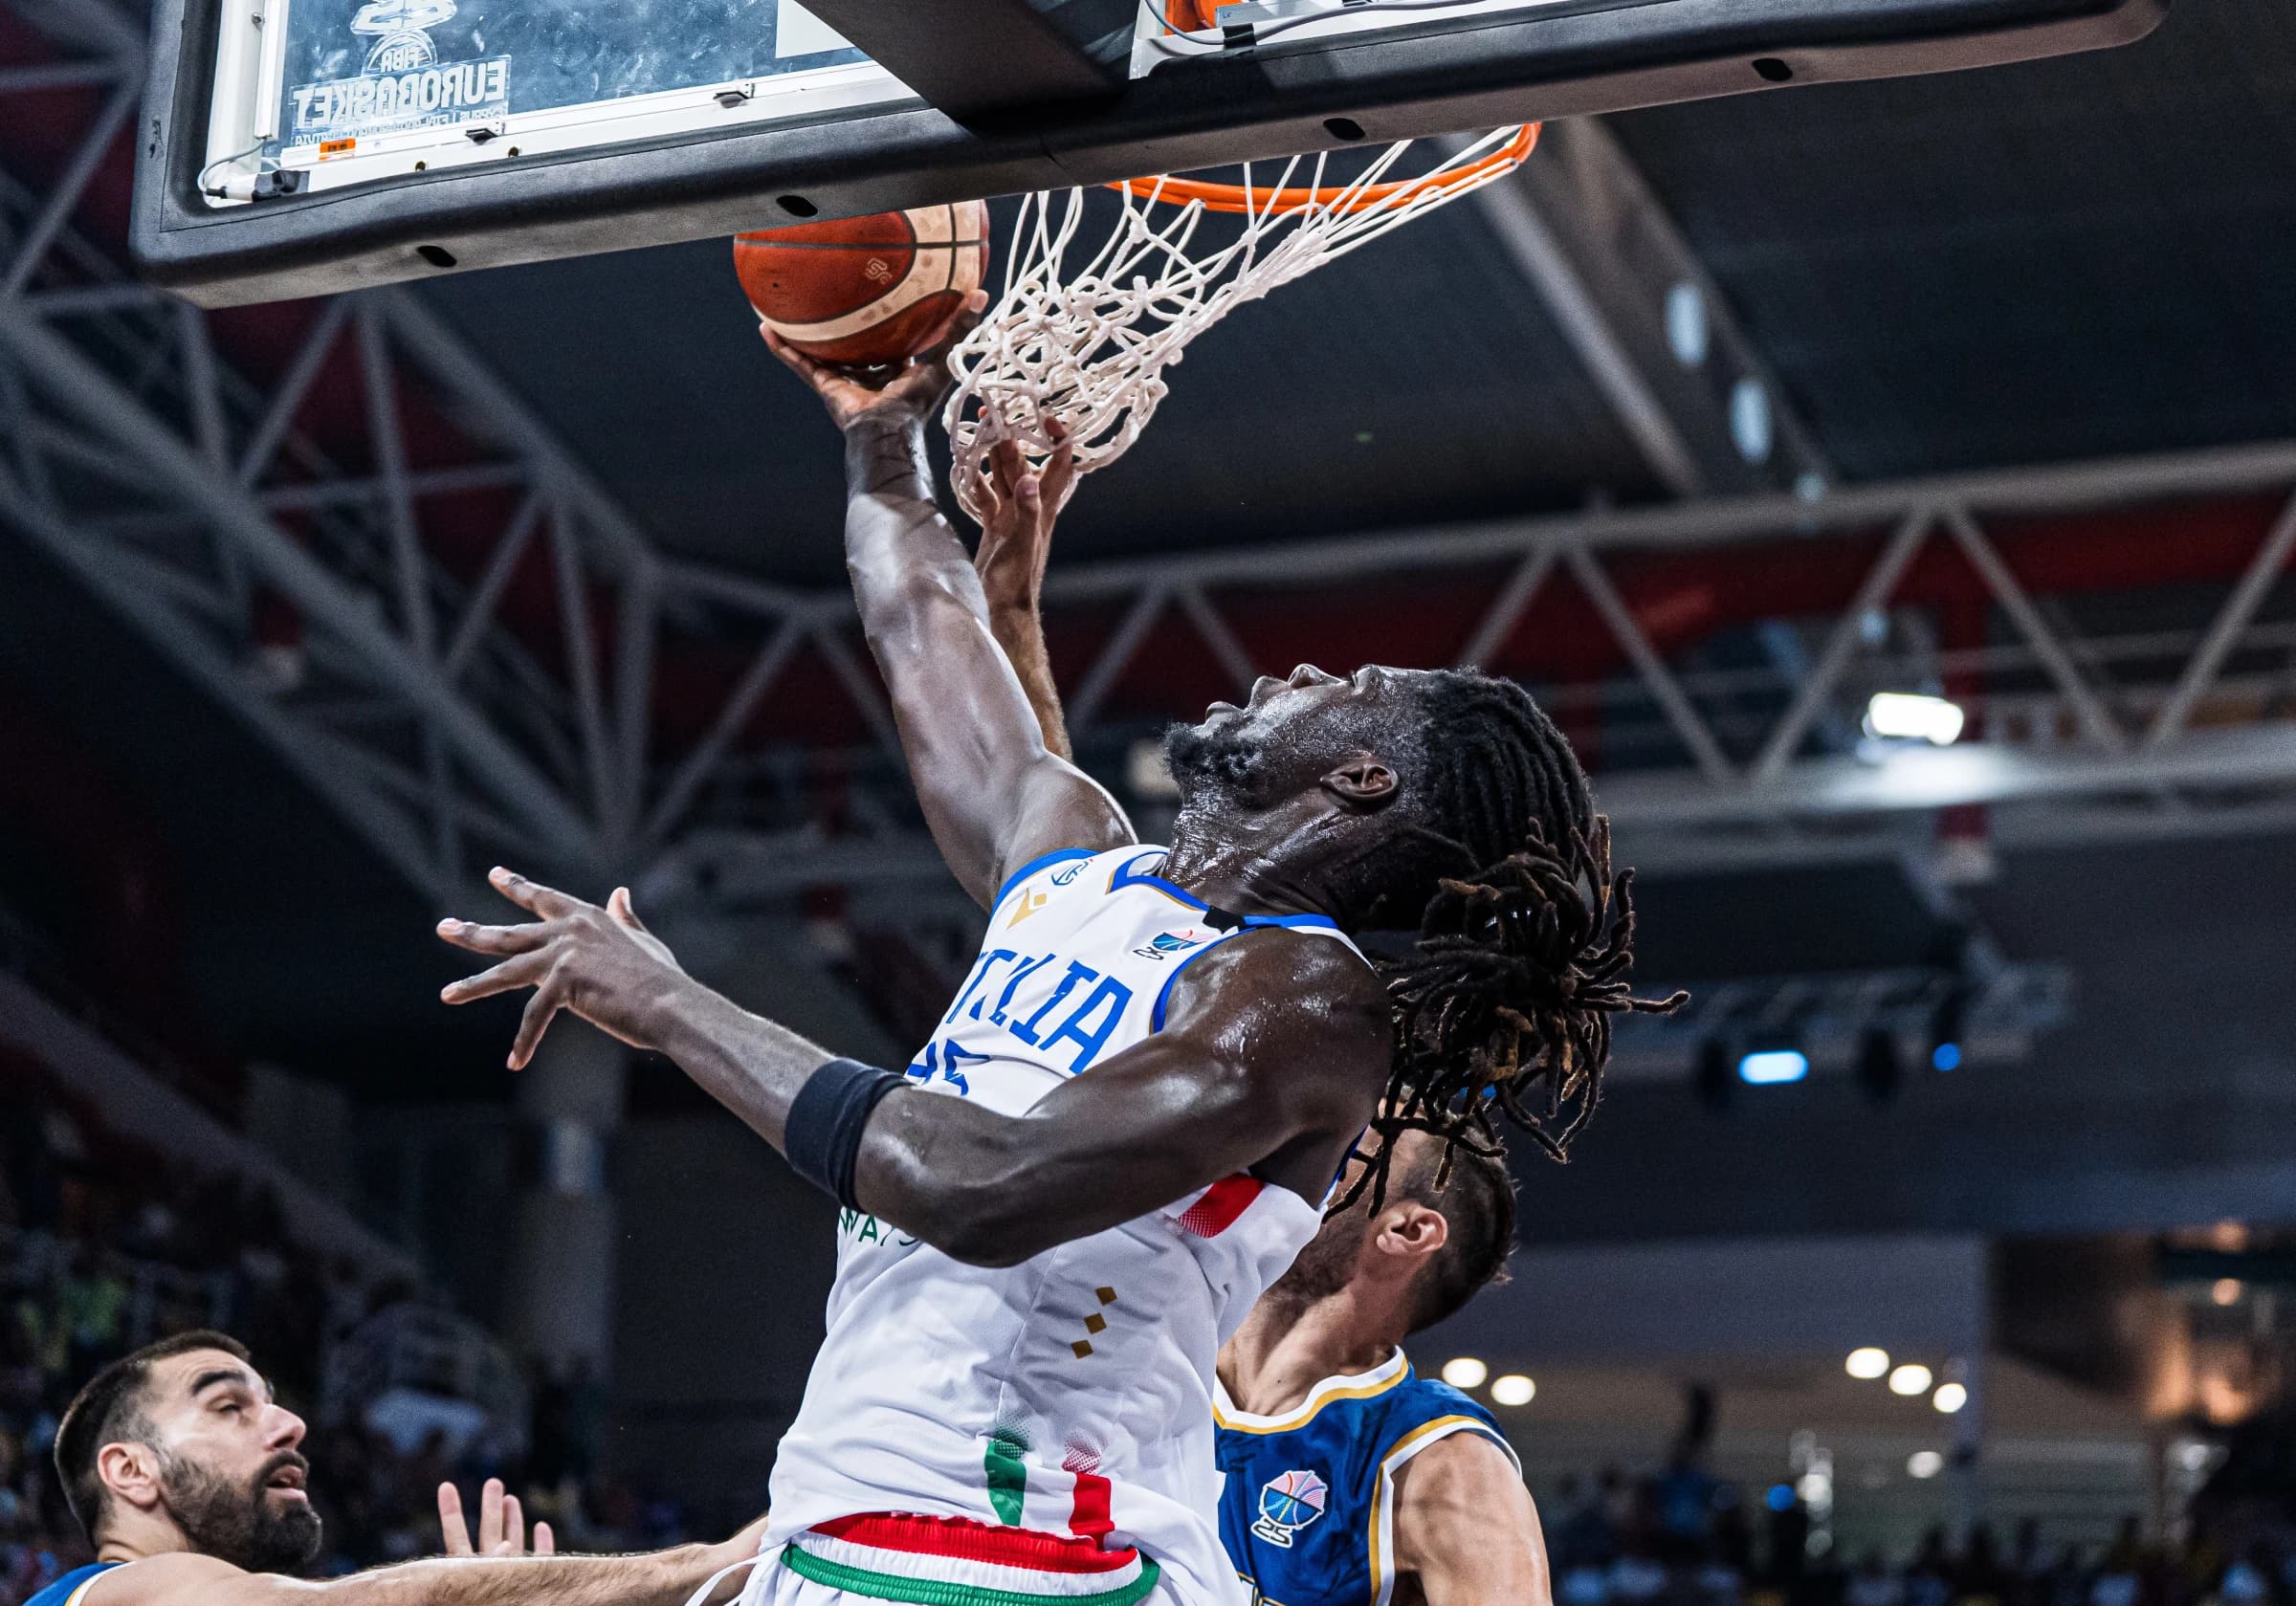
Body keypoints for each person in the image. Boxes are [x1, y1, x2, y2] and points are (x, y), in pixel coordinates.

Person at [435, 304, 1675, 1606]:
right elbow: (920, 625)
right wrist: (879, 429)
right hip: (858, 1530)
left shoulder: (1306, 1002)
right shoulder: (1075, 851)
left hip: (1039, 1563)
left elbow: (990, 1186)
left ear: (1362, 779)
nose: (1299, 667)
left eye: (1344, 680)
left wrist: (671, 1002)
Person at [966, 434, 1553, 1606]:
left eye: (1362, 1147)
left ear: (1406, 1233)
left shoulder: (1434, 1458)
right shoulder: (1134, 1360)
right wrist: (1008, 608)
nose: (1319, 1140)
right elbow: (1070, 885)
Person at [27, 1330, 762, 1606]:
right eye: (229, 1407)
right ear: (129, 1471)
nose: (290, 1425)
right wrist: (708, 1564)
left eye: (275, 1402)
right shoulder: (118, 1592)